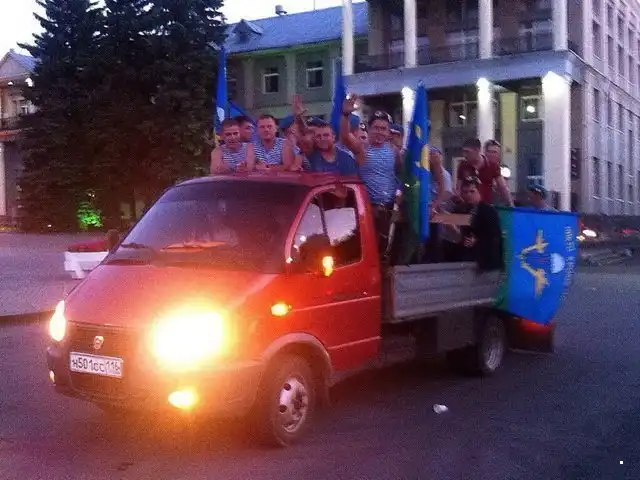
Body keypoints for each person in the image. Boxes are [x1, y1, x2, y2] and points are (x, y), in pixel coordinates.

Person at [447, 176, 504, 271]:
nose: (468, 195)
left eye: (472, 191)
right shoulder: (461, 209)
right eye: (465, 192)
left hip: (487, 262)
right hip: (468, 259)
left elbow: (494, 235)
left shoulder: (488, 211)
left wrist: (477, 241)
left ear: (479, 192)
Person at [292, 96, 358, 175]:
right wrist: (298, 118)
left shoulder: (346, 158)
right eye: (318, 136)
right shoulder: (312, 154)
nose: (322, 138)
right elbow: (304, 135)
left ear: (333, 137)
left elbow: (352, 180)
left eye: (326, 135)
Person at [456, 138, 513, 206]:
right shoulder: (463, 165)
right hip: (467, 207)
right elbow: (458, 188)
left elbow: (503, 188)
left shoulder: (493, 166)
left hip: (486, 207)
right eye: (463, 152)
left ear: (477, 150)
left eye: (467, 152)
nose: (464, 155)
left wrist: (511, 205)